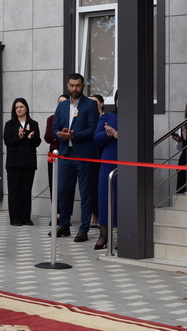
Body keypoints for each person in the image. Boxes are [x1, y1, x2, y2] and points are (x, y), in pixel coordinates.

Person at [52, 73, 99, 242]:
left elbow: (93, 129)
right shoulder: (62, 106)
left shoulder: (90, 105)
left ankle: (84, 229)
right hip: (65, 155)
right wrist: (60, 134)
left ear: (83, 86)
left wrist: (74, 135)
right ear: (67, 86)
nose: (74, 89)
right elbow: (53, 129)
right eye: (71, 85)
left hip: (83, 156)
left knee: (85, 193)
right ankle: (64, 225)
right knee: (63, 191)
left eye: (78, 85)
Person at [3, 97, 41, 226]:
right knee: (14, 190)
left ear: (26, 108)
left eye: (21, 107)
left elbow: (38, 142)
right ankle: (15, 218)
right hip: (14, 162)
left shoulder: (33, 123)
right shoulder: (9, 124)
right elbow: (7, 142)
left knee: (26, 190)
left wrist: (30, 138)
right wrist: (19, 137)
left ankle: (26, 217)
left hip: (29, 161)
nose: (19, 109)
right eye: (16, 107)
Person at [93, 91, 118, 250]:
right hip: (107, 164)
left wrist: (117, 134)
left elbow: (136, 138)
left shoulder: (135, 117)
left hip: (126, 165)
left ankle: (124, 235)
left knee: (122, 201)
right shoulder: (107, 117)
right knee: (104, 198)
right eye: (119, 99)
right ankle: (104, 235)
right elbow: (97, 137)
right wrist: (109, 135)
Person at [44, 94, 69, 202]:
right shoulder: (51, 119)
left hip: (67, 153)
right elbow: (47, 137)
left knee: (65, 185)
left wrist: (57, 136)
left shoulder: (71, 118)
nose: (61, 104)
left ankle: (64, 214)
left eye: (64, 102)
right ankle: (56, 213)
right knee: (53, 183)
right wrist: (59, 135)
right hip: (54, 153)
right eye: (59, 102)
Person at [88, 94, 105, 229]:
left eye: (95, 102)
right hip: (91, 156)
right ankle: (95, 217)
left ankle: (104, 217)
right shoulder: (88, 118)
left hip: (104, 155)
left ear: (101, 103)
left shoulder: (106, 117)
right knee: (92, 187)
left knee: (103, 187)